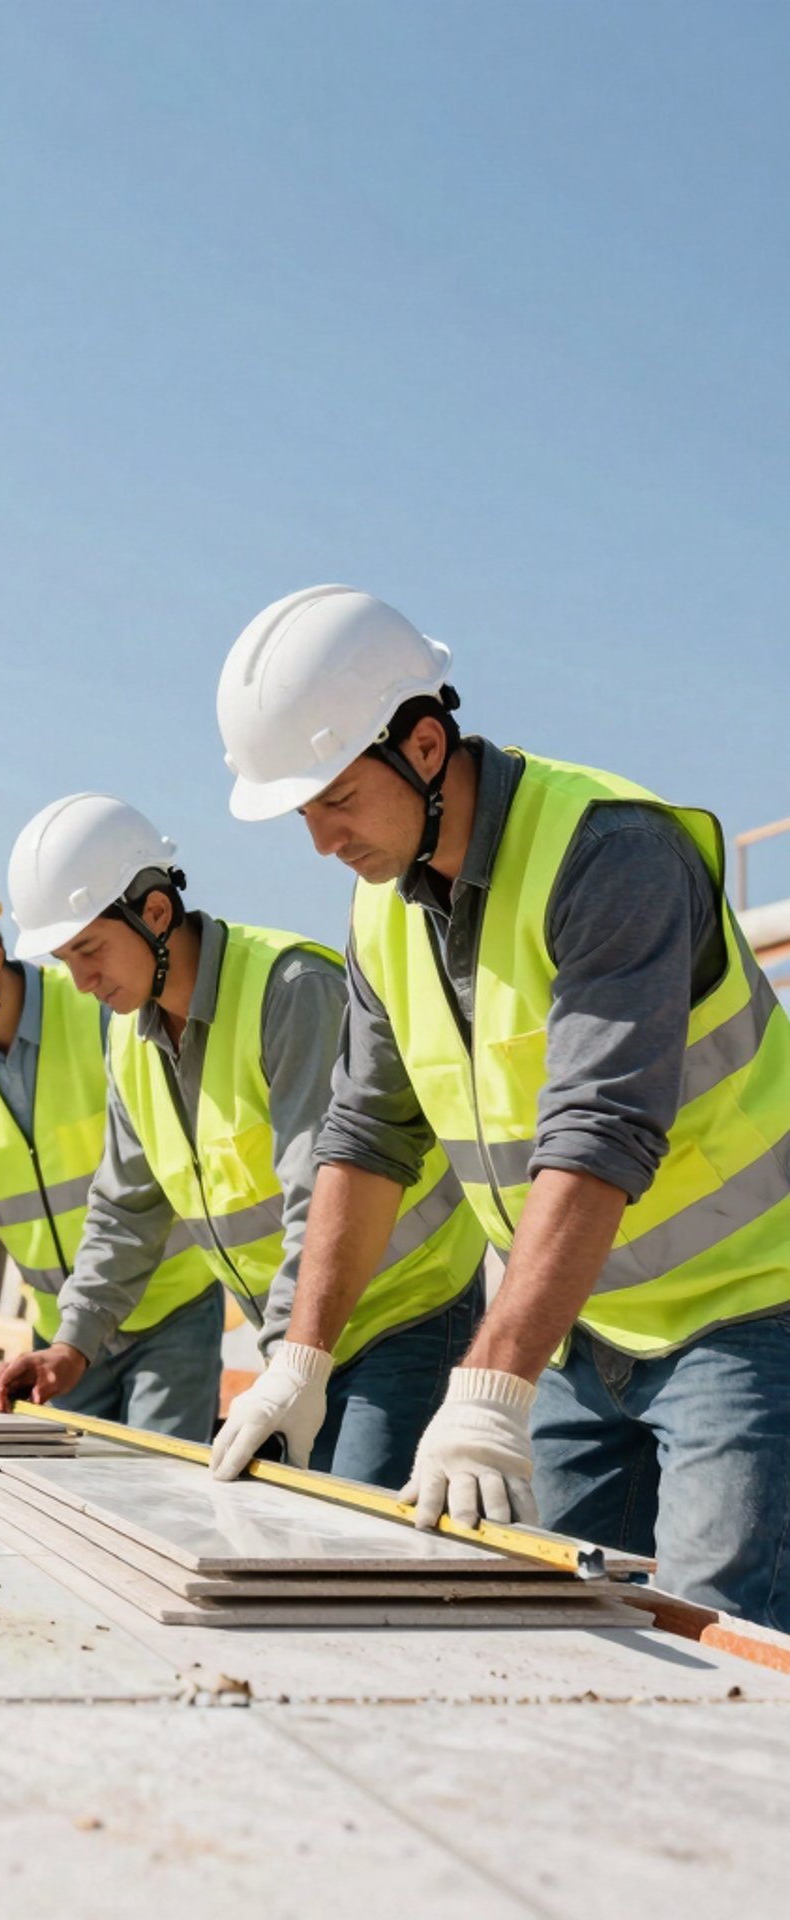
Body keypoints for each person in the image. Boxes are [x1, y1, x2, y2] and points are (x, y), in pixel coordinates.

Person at [211, 583, 790, 1629]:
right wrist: (301, 1362)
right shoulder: (383, 911)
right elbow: (367, 1137)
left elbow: (600, 1129)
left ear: (424, 746)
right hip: (581, 1330)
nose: (321, 840)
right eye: (303, 812)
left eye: (337, 800)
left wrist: (485, 1389)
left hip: (746, 1309)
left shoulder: (611, 854)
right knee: (535, 1618)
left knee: (722, 1638)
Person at [0, 794, 486, 1484]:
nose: (82, 981)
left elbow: (320, 1196)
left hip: (404, 1311)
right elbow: (124, 1212)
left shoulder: (291, 992)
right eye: (67, 960)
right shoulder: (134, 1042)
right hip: (301, 1341)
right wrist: (71, 1344)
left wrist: (287, 1362)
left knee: (354, 1541)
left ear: (155, 913)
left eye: (90, 950)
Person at [0, 861, 221, 1436]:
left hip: (169, 1312)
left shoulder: (102, 1012)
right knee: (73, 1498)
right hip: (60, 1334)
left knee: (163, 1490)